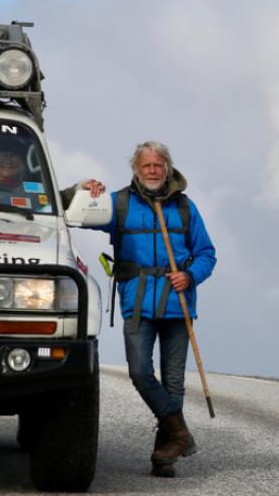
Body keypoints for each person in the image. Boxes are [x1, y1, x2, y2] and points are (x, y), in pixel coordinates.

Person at [63, 141, 216, 477]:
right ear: (135, 169)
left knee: (173, 382)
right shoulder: (117, 203)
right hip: (137, 301)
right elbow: (66, 214)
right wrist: (80, 189)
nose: (152, 171)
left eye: (158, 165)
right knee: (140, 372)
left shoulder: (185, 208)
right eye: (146, 165)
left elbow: (207, 253)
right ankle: (179, 433)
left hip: (178, 304)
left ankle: (165, 455)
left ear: (167, 168)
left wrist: (191, 276)